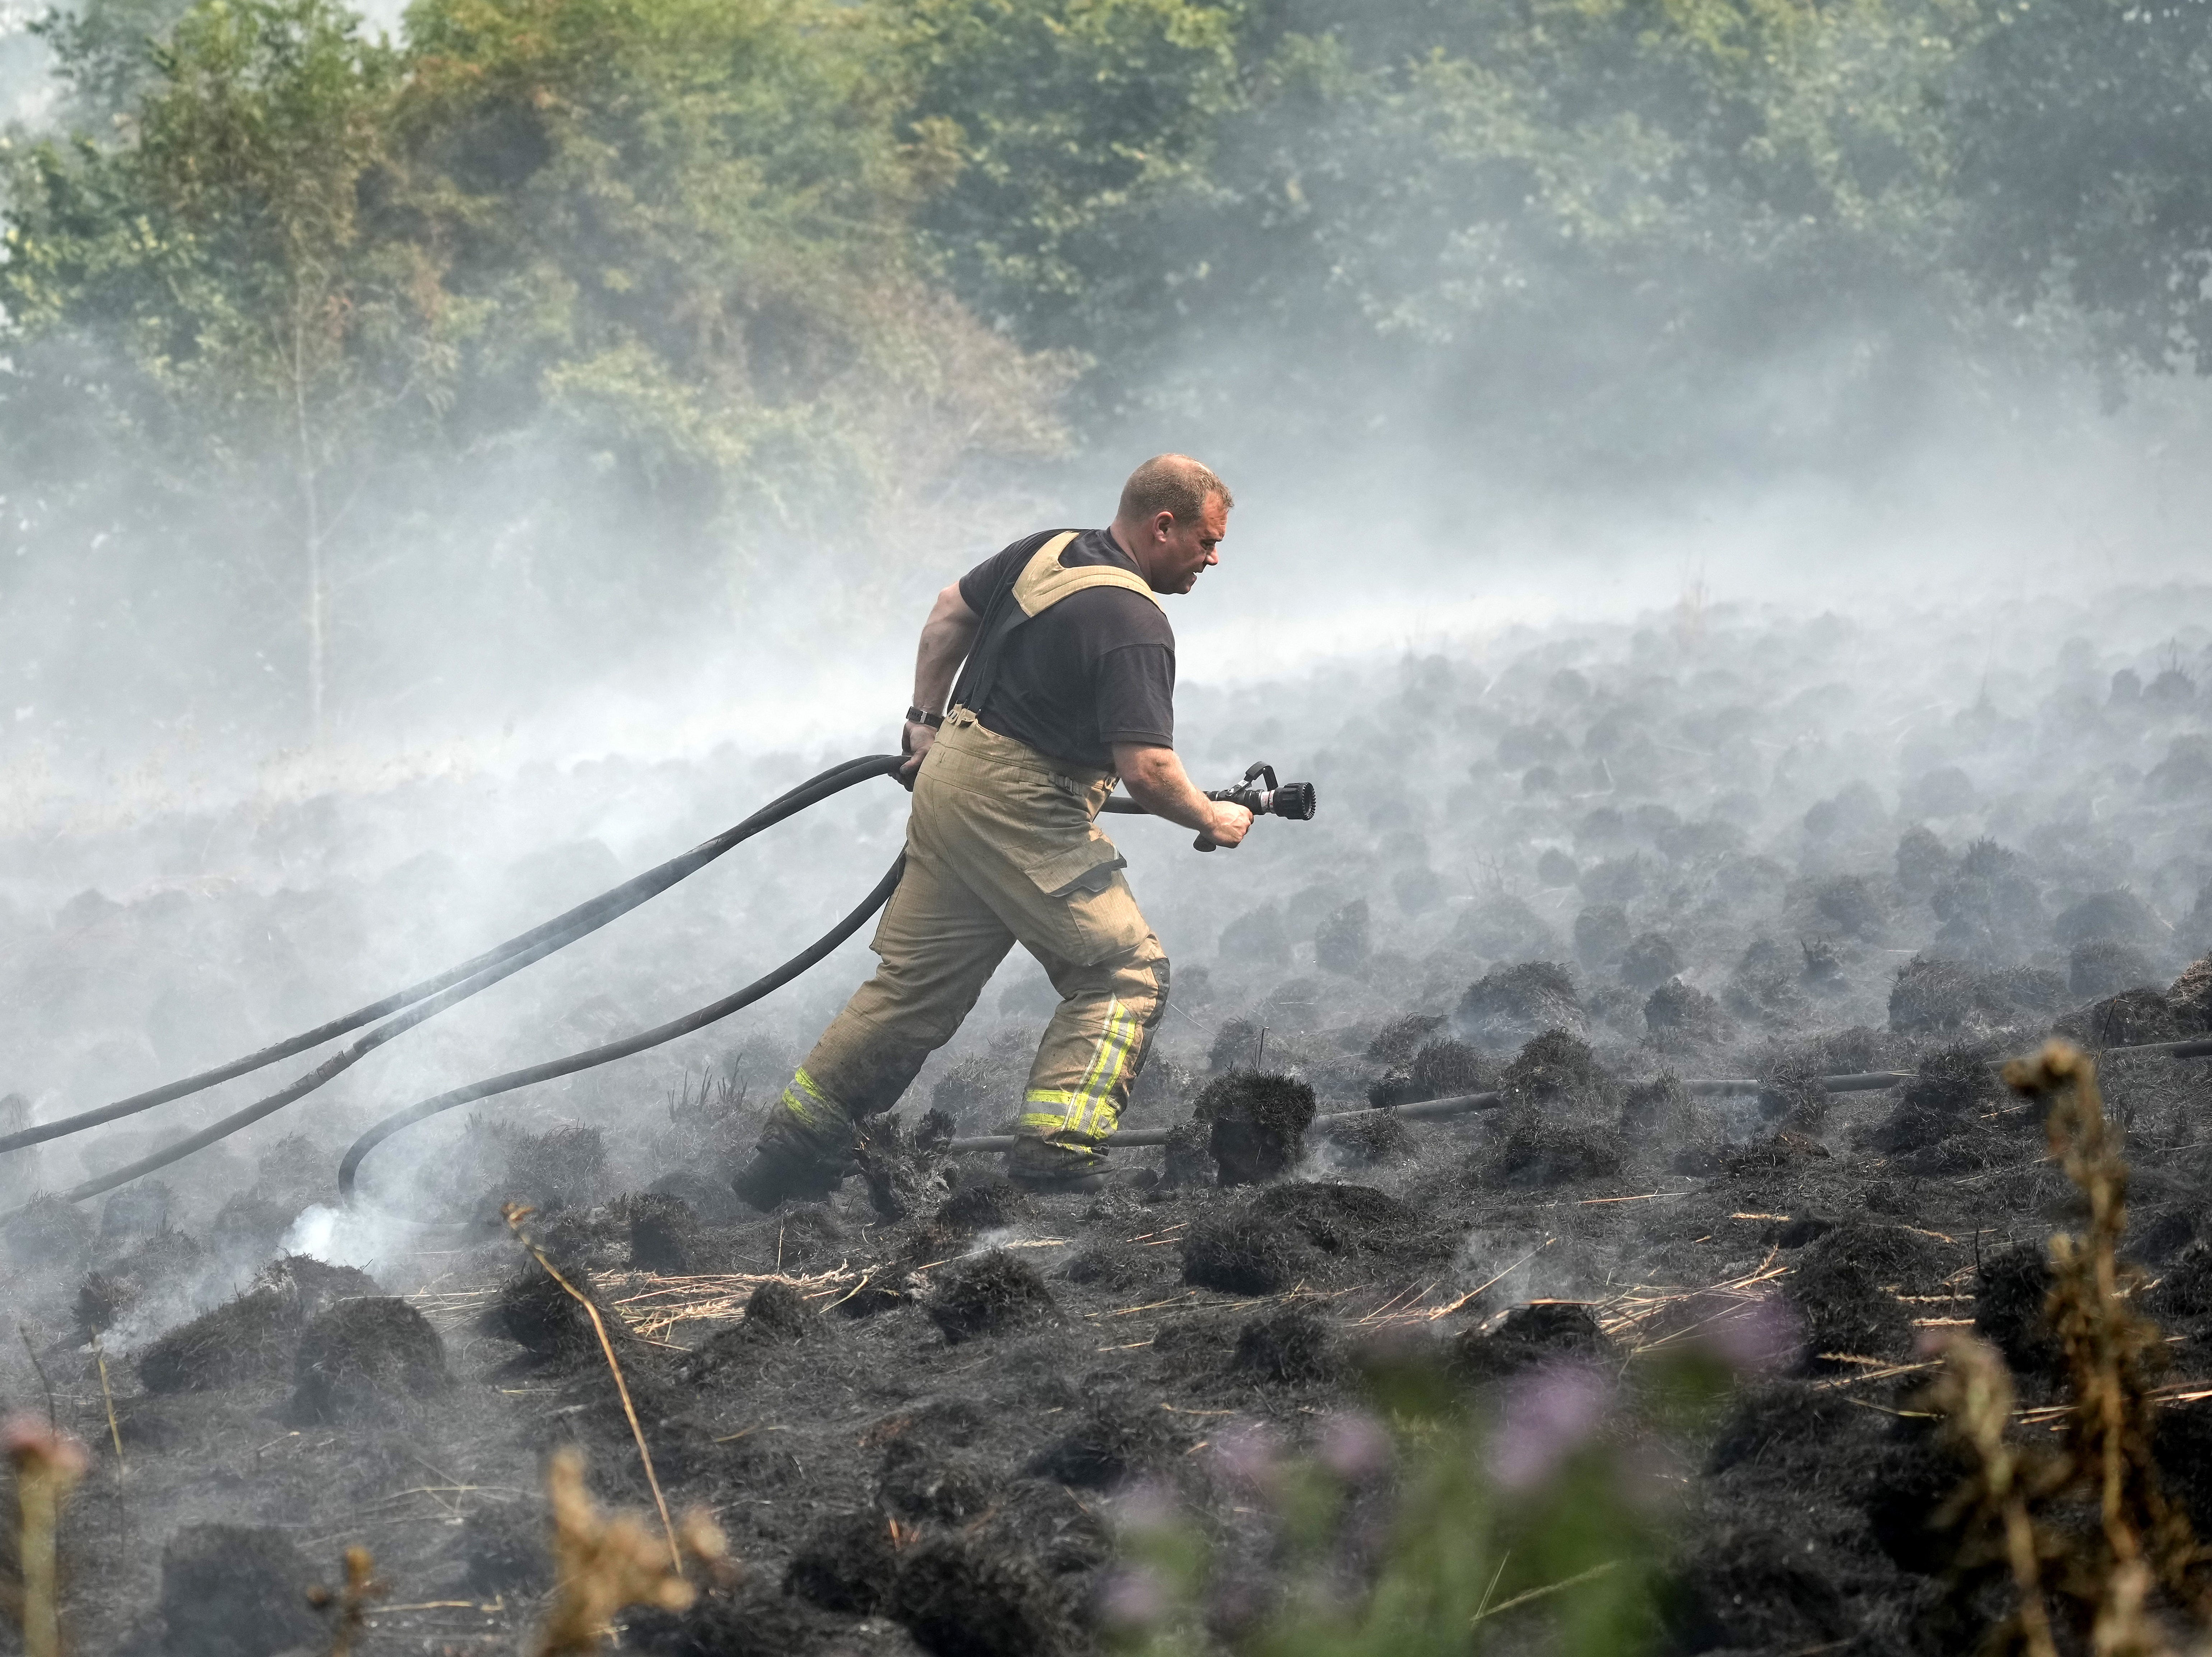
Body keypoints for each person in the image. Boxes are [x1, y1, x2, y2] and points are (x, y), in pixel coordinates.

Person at [733, 454, 1253, 1206]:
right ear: (1161, 525)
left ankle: (789, 1156)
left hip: (950, 785)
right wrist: (1213, 815)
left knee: (912, 989)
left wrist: (922, 722)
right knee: (1121, 972)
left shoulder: (1047, 550)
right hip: (1019, 809)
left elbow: (950, 608)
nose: (1212, 559)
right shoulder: (1135, 622)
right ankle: (1058, 1157)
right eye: (1206, 542)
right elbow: (1144, 769)